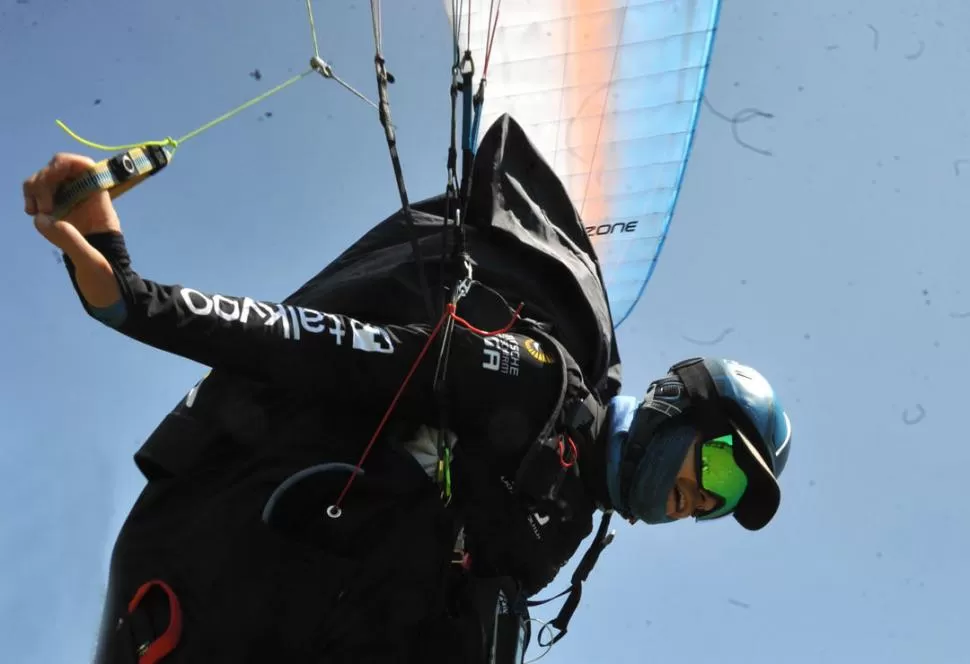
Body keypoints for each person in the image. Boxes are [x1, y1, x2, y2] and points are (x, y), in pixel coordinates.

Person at [23, 115, 792, 664]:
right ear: (674, 410)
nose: (703, 502)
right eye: (719, 471)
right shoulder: (537, 383)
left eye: (722, 505)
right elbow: (330, 348)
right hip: (223, 570)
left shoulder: (564, 523)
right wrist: (132, 293)